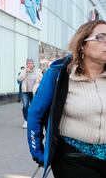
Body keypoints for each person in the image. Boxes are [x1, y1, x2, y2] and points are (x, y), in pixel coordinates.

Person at [28, 20, 106, 178]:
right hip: (73, 159)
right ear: (82, 44)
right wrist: (39, 153)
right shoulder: (59, 75)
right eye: (101, 37)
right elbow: (35, 114)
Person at [17, 58, 42, 129]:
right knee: (25, 106)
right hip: (25, 92)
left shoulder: (37, 71)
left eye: (31, 63)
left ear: (33, 64)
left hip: (34, 92)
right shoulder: (23, 71)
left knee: (34, 107)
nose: (30, 64)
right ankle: (26, 121)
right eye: (28, 63)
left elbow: (42, 79)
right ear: (26, 64)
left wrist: (39, 82)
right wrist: (25, 72)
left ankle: (34, 121)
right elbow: (19, 79)